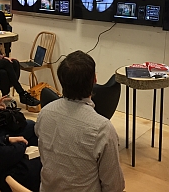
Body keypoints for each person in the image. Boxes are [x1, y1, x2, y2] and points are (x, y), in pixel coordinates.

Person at [35, 50, 125, 192]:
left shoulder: (44, 113)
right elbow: (114, 186)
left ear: (61, 81)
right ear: (94, 80)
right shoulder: (102, 128)